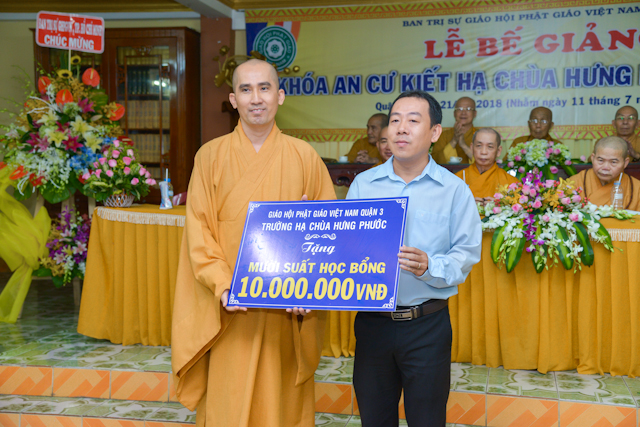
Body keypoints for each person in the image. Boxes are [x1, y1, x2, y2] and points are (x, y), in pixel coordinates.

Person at [171, 59, 336, 427]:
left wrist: (310, 287)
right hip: (230, 307)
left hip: (286, 311)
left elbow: (326, 234)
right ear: (234, 100)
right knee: (228, 402)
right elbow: (199, 230)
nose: (256, 98)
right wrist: (223, 284)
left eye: (264, 88)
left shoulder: (304, 156)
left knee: (280, 403)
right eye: (246, 90)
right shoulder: (210, 156)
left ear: (280, 96)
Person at [346, 90, 482, 427]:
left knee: (427, 419)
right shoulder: (364, 185)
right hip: (373, 324)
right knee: (374, 418)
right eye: (395, 120)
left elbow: (466, 254)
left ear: (434, 132)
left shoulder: (454, 190)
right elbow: (347, 248)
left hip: (426, 326)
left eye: (412, 120)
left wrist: (430, 266)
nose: (401, 128)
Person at [567, 136, 640, 210]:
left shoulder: (637, 188)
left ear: (625, 163)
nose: (605, 167)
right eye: (601, 160)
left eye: (613, 162)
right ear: (593, 158)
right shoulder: (574, 182)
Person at [455, 128, 518, 205]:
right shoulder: (457, 178)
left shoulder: (511, 182)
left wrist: (500, 205)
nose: (483, 152)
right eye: (479, 146)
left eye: (490, 147)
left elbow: (520, 208)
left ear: (498, 151)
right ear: (472, 148)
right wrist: (467, 204)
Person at [431, 97, 477, 164]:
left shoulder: (481, 136)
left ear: (475, 113)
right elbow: (435, 160)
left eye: (468, 109)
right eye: (459, 109)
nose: (463, 113)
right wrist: (454, 141)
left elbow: (485, 162)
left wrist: (463, 145)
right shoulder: (444, 136)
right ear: (454, 113)